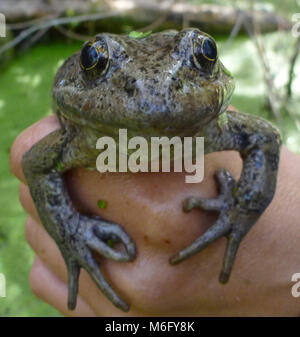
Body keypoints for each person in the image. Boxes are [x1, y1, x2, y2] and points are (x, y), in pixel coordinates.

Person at [10, 113, 300, 316]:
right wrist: (70, 231)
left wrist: (243, 209)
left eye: (203, 56)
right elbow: (38, 165)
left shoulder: (217, 123)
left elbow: (263, 138)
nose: (154, 94)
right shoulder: (73, 135)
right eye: (96, 61)